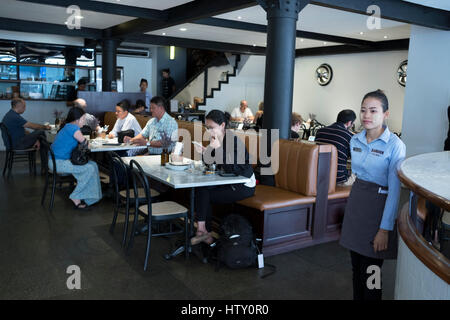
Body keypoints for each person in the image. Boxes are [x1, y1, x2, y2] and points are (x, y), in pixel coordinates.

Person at [339, 89, 406, 300]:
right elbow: (357, 175)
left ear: (386, 114)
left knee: (372, 274)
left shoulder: (395, 145)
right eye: (363, 110)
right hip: (357, 206)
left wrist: (384, 230)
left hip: (378, 210)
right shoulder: (354, 140)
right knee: (356, 269)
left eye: (373, 111)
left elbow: (394, 192)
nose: (366, 115)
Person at [190, 110, 256, 245]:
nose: (209, 131)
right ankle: (203, 231)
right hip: (227, 180)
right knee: (201, 189)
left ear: (222, 125)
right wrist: (204, 152)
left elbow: (233, 168)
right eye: (207, 128)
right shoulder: (216, 139)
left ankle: (203, 232)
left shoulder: (233, 141)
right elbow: (210, 163)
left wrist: (218, 149)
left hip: (243, 185)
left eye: (211, 127)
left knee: (205, 193)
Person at [50, 107, 102, 209]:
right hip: (58, 163)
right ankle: (76, 196)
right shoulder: (73, 128)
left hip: (56, 160)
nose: (84, 121)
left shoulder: (67, 126)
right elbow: (86, 144)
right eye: (83, 119)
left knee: (93, 165)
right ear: (77, 119)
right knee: (89, 168)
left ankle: (92, 198)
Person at [2, 98, 50, 171]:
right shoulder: (15, 117)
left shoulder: (10, 114)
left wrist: (35, 139)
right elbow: (31, 126)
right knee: (41, 131)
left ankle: (45, 165)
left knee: (39, 135)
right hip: (18, 144)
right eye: (24, 106)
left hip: (13, 143)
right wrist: (45, 127)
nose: (25, 108)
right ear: (19, 106)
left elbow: (23, 130)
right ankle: (46, 165)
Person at [315, 109, 356, 185]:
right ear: (349, 123)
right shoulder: (350, 136)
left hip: (317, 175)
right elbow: (355, 159)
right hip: (337, 179)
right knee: (359, 177)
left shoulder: (320, 131)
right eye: (352, 124)